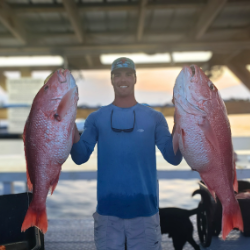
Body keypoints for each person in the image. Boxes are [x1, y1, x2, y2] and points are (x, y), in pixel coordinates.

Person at [71, 57, 182, 250]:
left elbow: (173, 158)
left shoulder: (154, 118)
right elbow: (79, 157)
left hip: (145, 214)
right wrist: (68, 120)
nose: (123, 79)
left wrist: (181, 115)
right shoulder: (96, 118)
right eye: (118, 75)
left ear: (135, 78)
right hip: (107, 215)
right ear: (112, 80)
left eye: (128, 74)